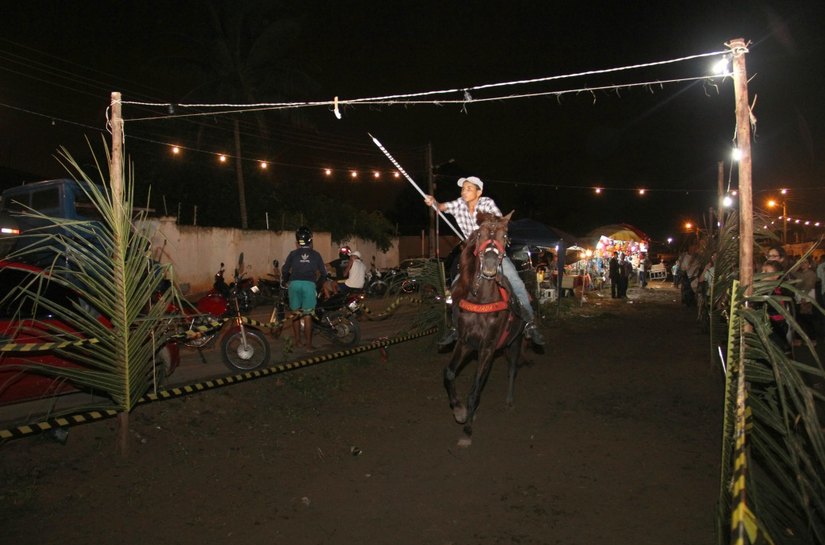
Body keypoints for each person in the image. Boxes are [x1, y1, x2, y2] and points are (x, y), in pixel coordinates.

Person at [423, 175, 545, 346]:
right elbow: (441, 207)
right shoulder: (459, 204)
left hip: (492, 251)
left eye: (468, 189)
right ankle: (455, 327)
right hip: (473, 253)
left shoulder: (487, 203)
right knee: (457, 284)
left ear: (479, 192)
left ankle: (530, 323)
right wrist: (433, 202)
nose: (464, 192)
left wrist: (481, 228)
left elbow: (498, 223)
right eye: (463, 188)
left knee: (516, 282)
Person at [282, 226, 327, 350]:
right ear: (311, 241)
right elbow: (324, 274)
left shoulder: (292, 254)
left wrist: (286, 282)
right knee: (307, 316)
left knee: (295, 314)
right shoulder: (316, 255)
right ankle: (308, 345)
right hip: (309, 285)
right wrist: (316, 287)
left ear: (297, 243)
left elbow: (285, 270)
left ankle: (297, 342)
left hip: (294, 284)